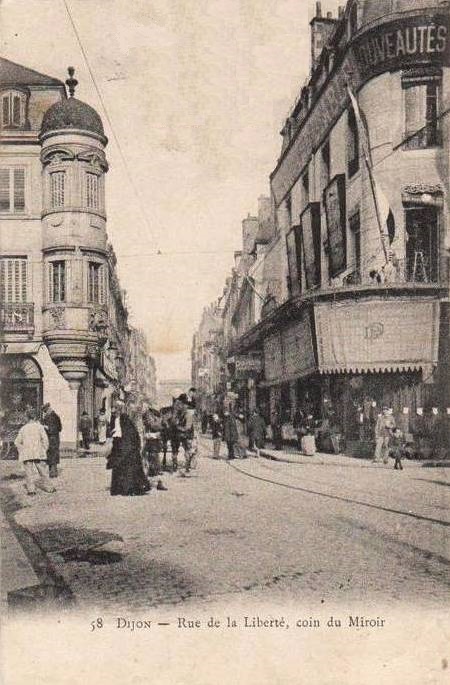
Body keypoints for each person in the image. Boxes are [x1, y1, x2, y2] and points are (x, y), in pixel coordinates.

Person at [107, 401, 151, 496]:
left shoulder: (124, 419)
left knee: (127, 468)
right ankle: (120, 488)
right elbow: (118, 432)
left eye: (115, 408)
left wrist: (126, 447)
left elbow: (129, 434)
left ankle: (128, 489)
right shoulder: (116, 419)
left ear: (119, 409)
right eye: (113, 408)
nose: (113, 411)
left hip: (127, 447)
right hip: (121, 446)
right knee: (120, 467)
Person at [15, 408, 56, 496]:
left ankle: (31, 491)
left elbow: (17, 442)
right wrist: (44, 449)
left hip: (27, 453)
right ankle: (49, 488)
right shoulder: (40, 427)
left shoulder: (23, 428)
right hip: (38, 452)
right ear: (35, 417)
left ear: (27, 417)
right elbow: (45, 440)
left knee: (28, 472)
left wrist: (23, 449)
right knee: (43, 471)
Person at [42, 402, 62, 478]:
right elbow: (60, 428)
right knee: (54, 454)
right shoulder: (56, 416)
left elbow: (51, 429)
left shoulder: (49, 417)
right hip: (56, 438)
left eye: (44, 410)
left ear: (47, 409)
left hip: (51, 438)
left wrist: (45, 427)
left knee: (51, 455)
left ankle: (52, 473)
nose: (44, 412)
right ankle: (54, 472)